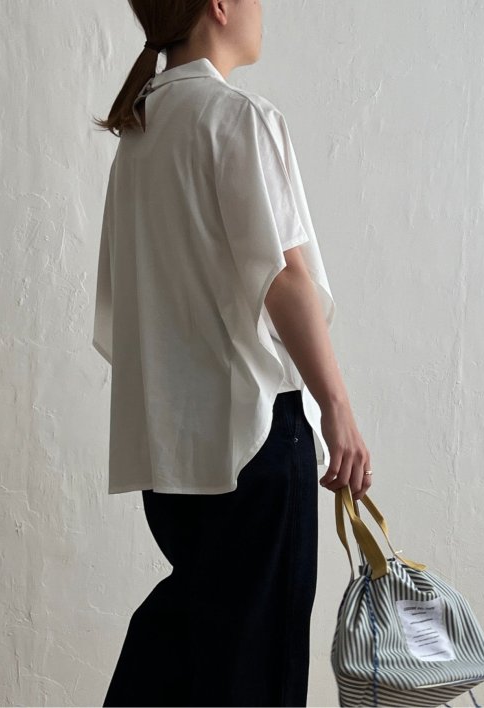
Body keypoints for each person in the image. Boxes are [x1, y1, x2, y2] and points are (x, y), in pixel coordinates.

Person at [92, 1, 372, 705]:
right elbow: (283, 278)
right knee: (254, 680)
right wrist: (337, 408)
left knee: (194, 663)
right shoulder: (237, 118)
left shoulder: (140, 137)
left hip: (172, 453)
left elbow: (126, 310)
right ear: (218, 5)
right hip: (254, 438)